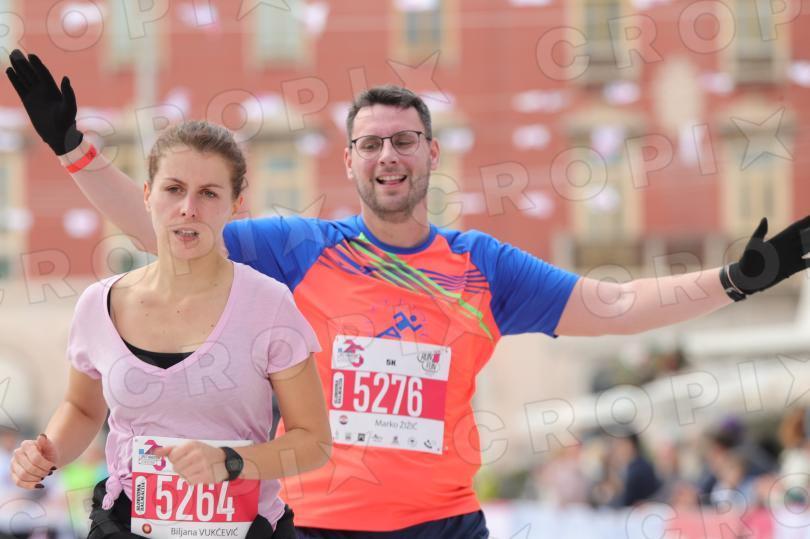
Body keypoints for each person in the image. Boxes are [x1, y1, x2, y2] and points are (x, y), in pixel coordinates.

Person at [7, 49, 810, 538]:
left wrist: (735, 281)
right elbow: (170, 226)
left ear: (431, 153)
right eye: (370, 144)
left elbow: (616, 307)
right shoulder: (294, 249)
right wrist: (74, 150)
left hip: (443, 526)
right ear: (349, 161)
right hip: (311, 524)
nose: (387, 156)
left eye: (403, 140)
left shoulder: (483, 266)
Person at [8, 117, 331, 538]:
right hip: (126, 524)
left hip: (242, 527)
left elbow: (313, 442)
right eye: (174, 189)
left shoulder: (269, 304)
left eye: (209, 193)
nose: (188, 208)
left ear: (236, 204)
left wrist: (232, 462)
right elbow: (83, 409)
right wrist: (47, 452)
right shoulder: (99, 304)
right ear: (147, 195)